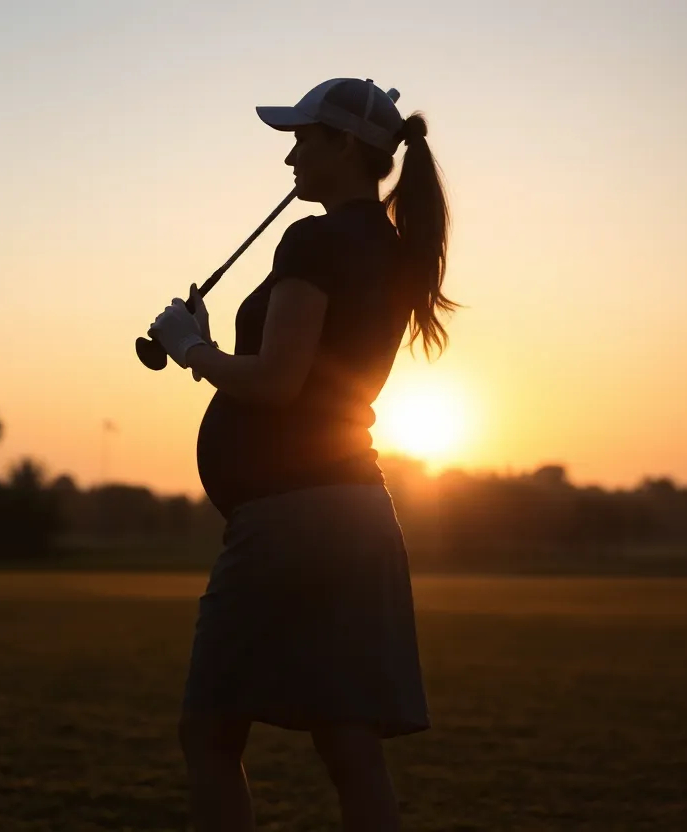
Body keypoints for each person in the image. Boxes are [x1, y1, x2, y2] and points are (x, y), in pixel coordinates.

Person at [147, 77, 457, 832]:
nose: (290, 156)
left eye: (304, 138)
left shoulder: (313, 240)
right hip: (356, 514)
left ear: (345, 146)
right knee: (348, 739)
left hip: (291, 517)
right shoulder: (388, 247)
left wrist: (191, 347)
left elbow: (278, 382)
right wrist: (214, 340)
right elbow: (308, 368)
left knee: (211, 730)